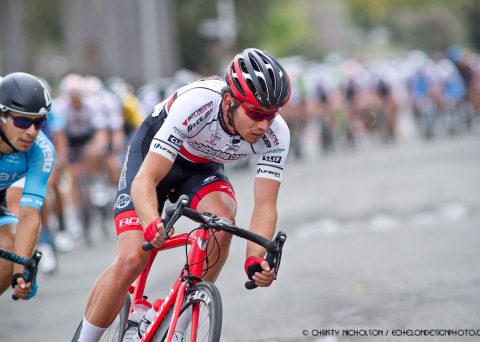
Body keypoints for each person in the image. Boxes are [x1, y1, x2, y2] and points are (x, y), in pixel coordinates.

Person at [76, 48, 291, 341]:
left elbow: (265, 205)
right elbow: (146, 180)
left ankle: (175, 327)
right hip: (154, 157)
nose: (264, 125)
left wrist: (255, 260)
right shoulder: (197, 102)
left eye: (271, 115)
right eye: (255, 113)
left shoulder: (277, 135)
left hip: (200, 168)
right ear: (229, 101)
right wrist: (151, 222)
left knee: (223, 220)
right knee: (131, 257)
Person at [0, 72, 55, 299]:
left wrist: (21, 271)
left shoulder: (41, 151)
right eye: (22, 121)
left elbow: (29, 215)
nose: (31, 131)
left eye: (38, 122)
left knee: (10, 243)